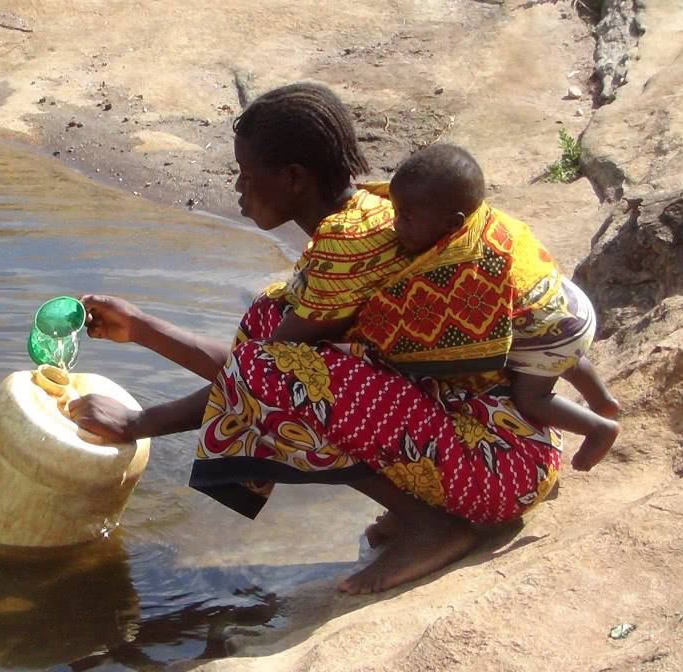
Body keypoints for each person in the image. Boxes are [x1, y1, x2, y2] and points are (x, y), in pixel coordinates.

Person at [68, 82, 561, 595]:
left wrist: (139, 421)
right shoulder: (366, 216)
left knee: (278, 369)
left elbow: (262, 376)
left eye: (246, 175)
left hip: (499, 467)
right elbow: (264, 358)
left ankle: (432, 526)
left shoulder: (346, 248)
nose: (238, 187)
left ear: (294, 178)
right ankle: (419, 507)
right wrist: (142, 328)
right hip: (493, 443)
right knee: (270, 318)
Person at [387, 143, 620, 472]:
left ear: (452, 224)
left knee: (531, 397)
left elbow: (463, 334)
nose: (397, 225)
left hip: (550, 335)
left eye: (406, 218)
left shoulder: (466, 263)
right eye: (396, 213)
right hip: (572, 306)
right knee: (566, 357)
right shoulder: (489, 222)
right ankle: (602, 401)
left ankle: (597, 429)